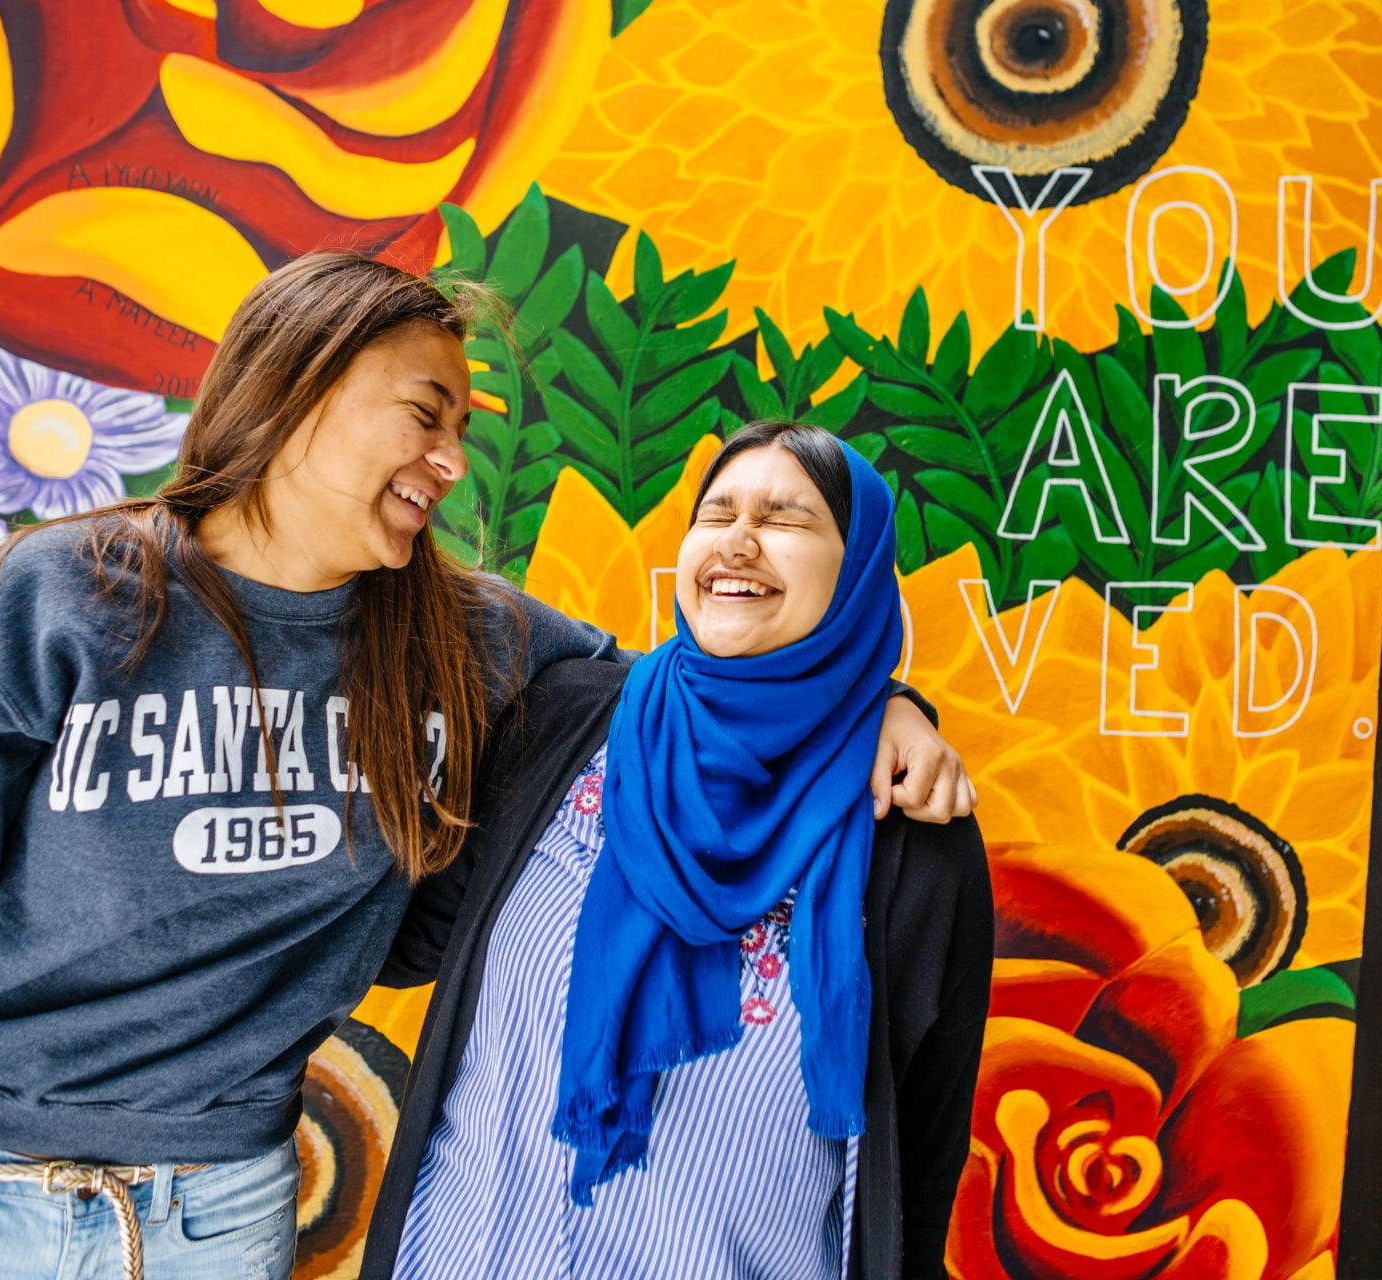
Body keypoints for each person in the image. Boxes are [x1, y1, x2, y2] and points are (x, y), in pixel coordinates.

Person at [0, 255, 973, 1280]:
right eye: (426, 412)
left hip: (217, 1207)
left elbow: (705, 677)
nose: (452, 459)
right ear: (302, 386)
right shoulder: (66, 596)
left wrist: (881, 706)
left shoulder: (473, 635)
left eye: (464, 429)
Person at [362, 422, 994, 1279]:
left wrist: (885, 706)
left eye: (786, 517)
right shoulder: (562, 718)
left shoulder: (912, 833)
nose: (738, 539)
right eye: (718, 511)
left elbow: (921, 1151)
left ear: (856, 575)